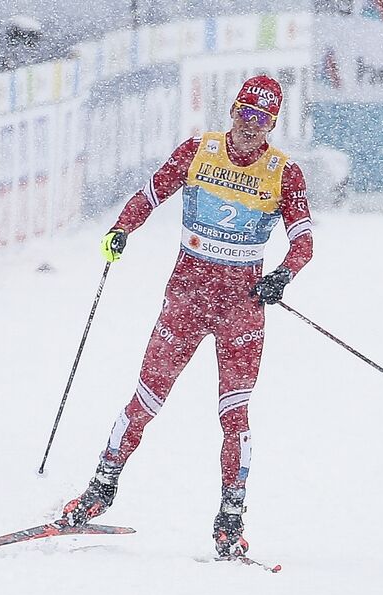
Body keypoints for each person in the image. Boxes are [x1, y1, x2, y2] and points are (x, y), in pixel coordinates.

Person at [61, 75, 313, 558]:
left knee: (234, 415)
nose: (249, 126)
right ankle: (100, 488)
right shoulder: (199, 149)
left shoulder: (285, 173)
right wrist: (121, 229)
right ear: (233, 111)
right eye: (244, 113)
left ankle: (230, 518)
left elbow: (304, 241)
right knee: (146, 398)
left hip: (242, 309)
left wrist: (281, 276)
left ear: (272, 125)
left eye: (261, 120)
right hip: (187, 299)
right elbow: (151, 192)